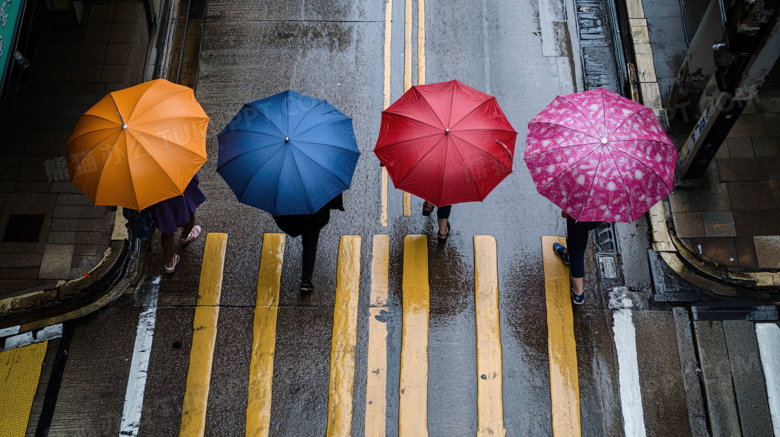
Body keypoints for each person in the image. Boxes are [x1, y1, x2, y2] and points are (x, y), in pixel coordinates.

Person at [124, 174, 206, 273]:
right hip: (172, 191)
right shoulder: (169, 161)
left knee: (166, 227)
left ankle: (169, 263)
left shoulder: (133, 172)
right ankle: (185, 236)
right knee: (188, 213)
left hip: (150, 198)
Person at [273, 193, 344, 292]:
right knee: (310, 243)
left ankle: (306, 280)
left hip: (292, 211)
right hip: (314, 213)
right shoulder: (319, 178)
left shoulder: (284, 182)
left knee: (306, 237)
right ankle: (306, 281)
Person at [552, 210, 602, 305]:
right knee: (577, 236)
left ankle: (579, 292)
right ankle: (567, 253)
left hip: (580, 211)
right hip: (599, 213)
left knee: (577, 246)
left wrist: (566, 209)